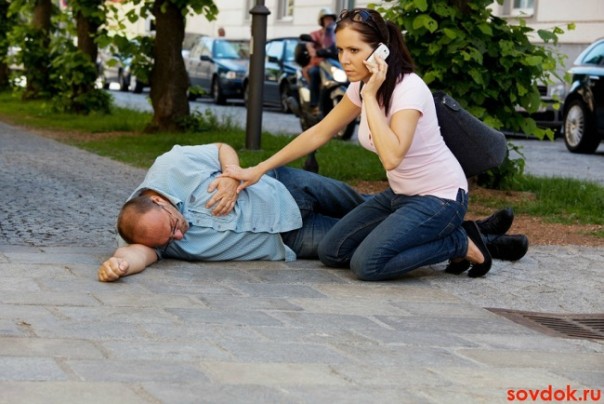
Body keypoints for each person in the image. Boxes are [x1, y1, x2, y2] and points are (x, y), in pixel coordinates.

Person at [221, 8, 528, 281]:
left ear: (381, 51)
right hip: (400, 195)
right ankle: (459, 237)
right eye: (340, 50)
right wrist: (258, 169)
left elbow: (392, 156)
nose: (345, 59)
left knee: (368, 265)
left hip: (440, 198)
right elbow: (320, 132)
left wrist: (370, 96)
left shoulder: (408, 89)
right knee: (332, 252)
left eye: (354, 50)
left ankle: (460, 243)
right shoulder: (362, 84)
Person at [97, 143, 367, 282]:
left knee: (369, 205)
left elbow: (221, 148)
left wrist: (230, 175)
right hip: (291, 238)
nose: (178, 236)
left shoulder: (170, 166)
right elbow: (132, 255)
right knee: (366, 236)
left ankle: (410, 198)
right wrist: (118, 267)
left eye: (173, 225)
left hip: (287, 186)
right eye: (168, 241)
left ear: (158, 200)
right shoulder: (142, 236)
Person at [305, 8, 338, 114]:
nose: (329, 21)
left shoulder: (336, 34)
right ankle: (314, 104)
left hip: (332, 63)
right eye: (327, 19)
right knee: (314, 73)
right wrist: (312, 50)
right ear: (322, 21)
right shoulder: (315, 34)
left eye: (331, 19)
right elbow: (309, 45)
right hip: (318, 64)